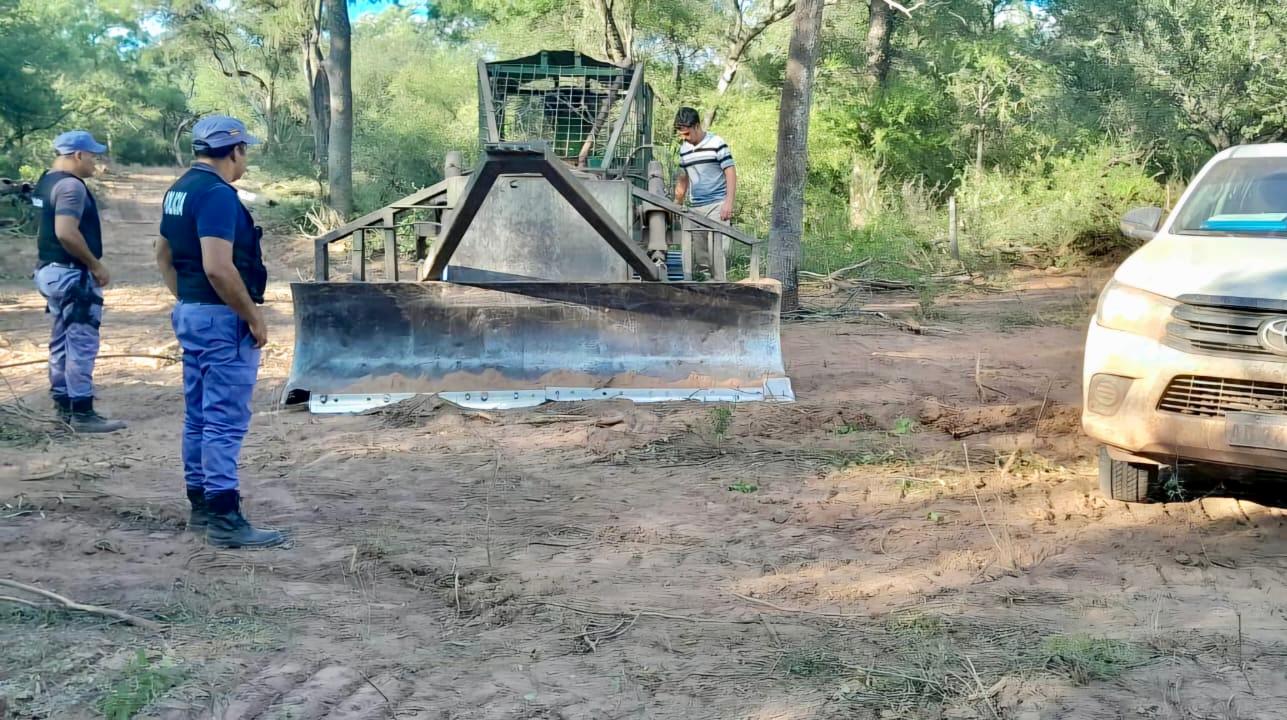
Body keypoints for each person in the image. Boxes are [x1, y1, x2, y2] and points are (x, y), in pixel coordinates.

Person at [155, 115, 285, 549]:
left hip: (193, 312)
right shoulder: (216, 195)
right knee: (225, 421)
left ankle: (202, 508)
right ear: (236, 151)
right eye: (245, 150)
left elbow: (163, 252)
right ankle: (225, 517)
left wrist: (186, 299)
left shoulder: (179, 189)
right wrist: (252, 315)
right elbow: (217, 266)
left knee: (198, 416)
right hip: (219, 319)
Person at [32, 131, 126, 433]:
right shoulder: (71, 187)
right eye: (93, 156)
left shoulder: (46, 180)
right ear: (78, 155)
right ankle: (83, 412)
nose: (95, 162)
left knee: (60, 340)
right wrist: (95, 265)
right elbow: (65, 232)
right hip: (72, 275)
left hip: (49, 271)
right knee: (82, 342)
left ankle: (63, 405)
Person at [672, 107, 737, 280]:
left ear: (697, 126)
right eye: (682, 135)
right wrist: (676, 204)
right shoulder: (684, 149)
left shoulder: (716, 143)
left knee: (718, 252)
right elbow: (683, 177)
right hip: (696, 207)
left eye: (687, 133)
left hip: (717, 204)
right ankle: (706, 288)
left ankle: (721, 287)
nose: (685, 138)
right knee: (701, 256)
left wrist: (728, 203)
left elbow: (730, 171)